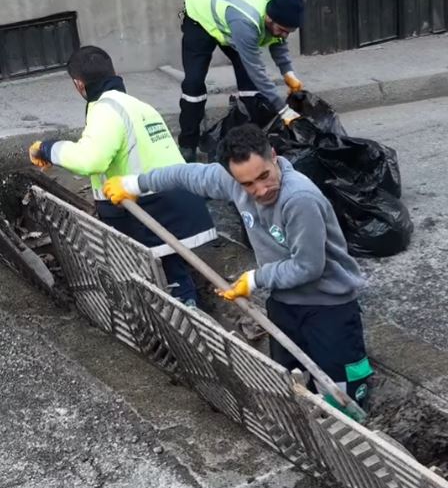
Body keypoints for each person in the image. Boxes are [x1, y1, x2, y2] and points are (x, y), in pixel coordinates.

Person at [101, 124, 373, 408]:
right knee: (293, 384)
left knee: (342, 393)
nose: (260, 190)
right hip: (284, 303)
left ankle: (349, 435)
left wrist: (255, 279)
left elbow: (308, 267)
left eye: (264, 176)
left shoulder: (299, 199)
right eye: (247, 184)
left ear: (274, 156)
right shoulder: (233, 180)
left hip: (329, 307)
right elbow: (185, 174)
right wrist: (135, 184)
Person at [29, 46, 216, 306]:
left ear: (78, 84)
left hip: (149, 210)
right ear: (114, 73)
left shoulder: (105, 110)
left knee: (150, 283)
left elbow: (90, 160)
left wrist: (48, 148)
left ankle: (175, 321)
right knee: (174, 277)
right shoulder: (137, 105)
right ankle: (188, 311)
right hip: (181, 205)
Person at [178, 0, 306, 161]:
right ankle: (187, 146)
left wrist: (289, 73)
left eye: (289, 32)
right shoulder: (246, 23)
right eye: (282, 29)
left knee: (251, 90)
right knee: (193, 85)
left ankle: (249, 145)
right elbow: (256, 70)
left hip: (231, 23)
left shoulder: (282, 5)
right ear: (269, 18)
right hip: (202, 17)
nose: (285, 35)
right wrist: (283, 109)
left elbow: (278, 42)